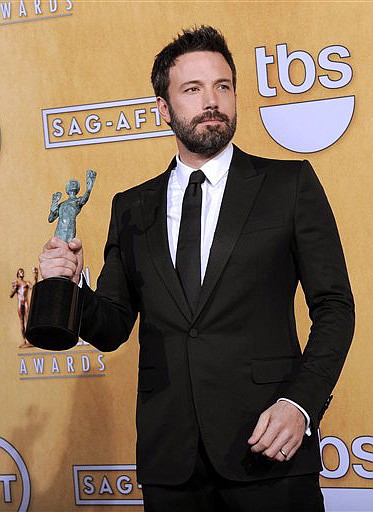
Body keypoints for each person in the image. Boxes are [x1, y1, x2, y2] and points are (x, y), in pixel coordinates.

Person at [39, 26, 354, 511]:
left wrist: (301, 405)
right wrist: (70, 284)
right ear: (163, 109)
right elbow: (111, 327)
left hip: (269, 450)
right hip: (173, 463)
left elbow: (335, 308)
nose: (212, 101)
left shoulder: (289, 185)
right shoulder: (131, 208)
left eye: (223, 86)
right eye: (193, 89)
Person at [10, 267, 38, 348]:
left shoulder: (27, 283)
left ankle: (30, 340)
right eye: (20, 272)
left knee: (28, 321)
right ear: (18, 274)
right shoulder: (16, 283)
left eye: (22, 271)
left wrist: (36, 276)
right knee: (22, 322)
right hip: (20, 303)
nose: (22, 273)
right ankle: (24, 341)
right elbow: (11, 295)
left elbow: (34, 288)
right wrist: (14, 289)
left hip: (26, 302)